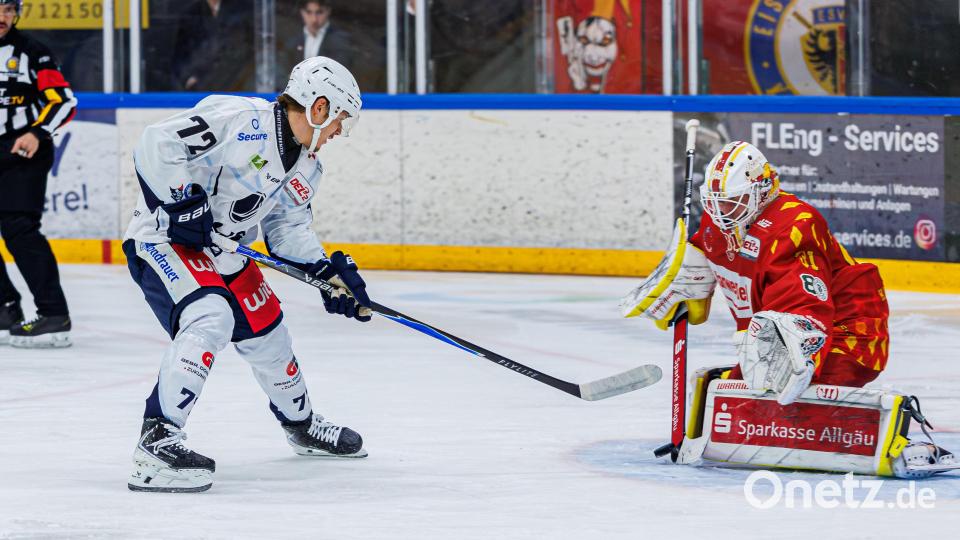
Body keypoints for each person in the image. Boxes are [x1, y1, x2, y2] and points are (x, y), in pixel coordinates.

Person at [622, 140, 956, 476]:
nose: (722, 213)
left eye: (733, 202)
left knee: (784, 403)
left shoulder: (795, 225)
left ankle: (904, 446)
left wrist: (795, 349)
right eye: (715, 203)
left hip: (848, 330)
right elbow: (709, 248)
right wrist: (690, 272)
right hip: (778, 327)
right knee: (746, 402)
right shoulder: (717, 223)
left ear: (762, 191)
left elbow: (804, 304)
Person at [123, 57, 370, 493]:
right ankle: (157, 442)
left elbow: (287, 228)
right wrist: (182, 203)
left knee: (270, 335)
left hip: (226, 252)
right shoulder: (237, 119)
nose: (339, 132)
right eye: (340, 119)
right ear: (320, 107)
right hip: (165, 240)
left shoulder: (308, 166)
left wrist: (325, 272)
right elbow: (156, 143)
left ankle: (301, 425)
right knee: (210, 316)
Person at [0, 0, 76, 348]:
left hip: (24, 150)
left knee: (19, 229)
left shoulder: (33, 52)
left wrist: (37, 132)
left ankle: (53, 313)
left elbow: (63, 101)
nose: (2, 16)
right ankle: (5, 309)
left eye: (8, 9)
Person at [172, 0, 254, 91]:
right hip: (199, 87)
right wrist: (187, 78)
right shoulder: (191, 12)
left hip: (235, 83)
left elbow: (249, 48)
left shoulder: (242, 10)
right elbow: (181, 54)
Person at [278, 0, 352, 89]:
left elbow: (339, 73)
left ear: (328, 11)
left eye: (319, 12)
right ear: (302, 12)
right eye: (309, 12)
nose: (314, 19)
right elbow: (282, 74)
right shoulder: (292, 42)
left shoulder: (341, 40)